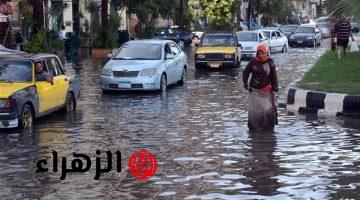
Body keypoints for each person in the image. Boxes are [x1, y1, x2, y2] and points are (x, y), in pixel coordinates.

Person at [243, 44, 278, 132]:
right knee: (255, 110)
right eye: (259, 54)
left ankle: (267, 128)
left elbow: (274, 76)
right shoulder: (253, 62)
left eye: (262, 53)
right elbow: (245, 73)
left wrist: (274, 88)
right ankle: (255, 128)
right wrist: (246, 84)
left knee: (266, 109)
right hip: (254, 91)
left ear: (266, 53)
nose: (261, 55)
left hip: (266, 90)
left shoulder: (270, 62)